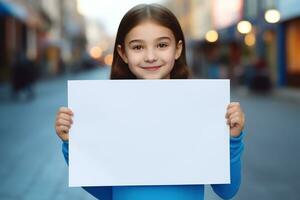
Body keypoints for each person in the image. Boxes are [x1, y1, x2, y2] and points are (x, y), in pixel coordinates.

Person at [55, 4, 245, 200]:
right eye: (138, 47)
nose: (151, 56)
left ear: (178, 49)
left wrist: (232, 138)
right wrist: (73, 144)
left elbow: (226, 191)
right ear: (123, 53)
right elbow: (106, 193)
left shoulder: (203, 108)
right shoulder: (110, 112)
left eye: (162, 45)